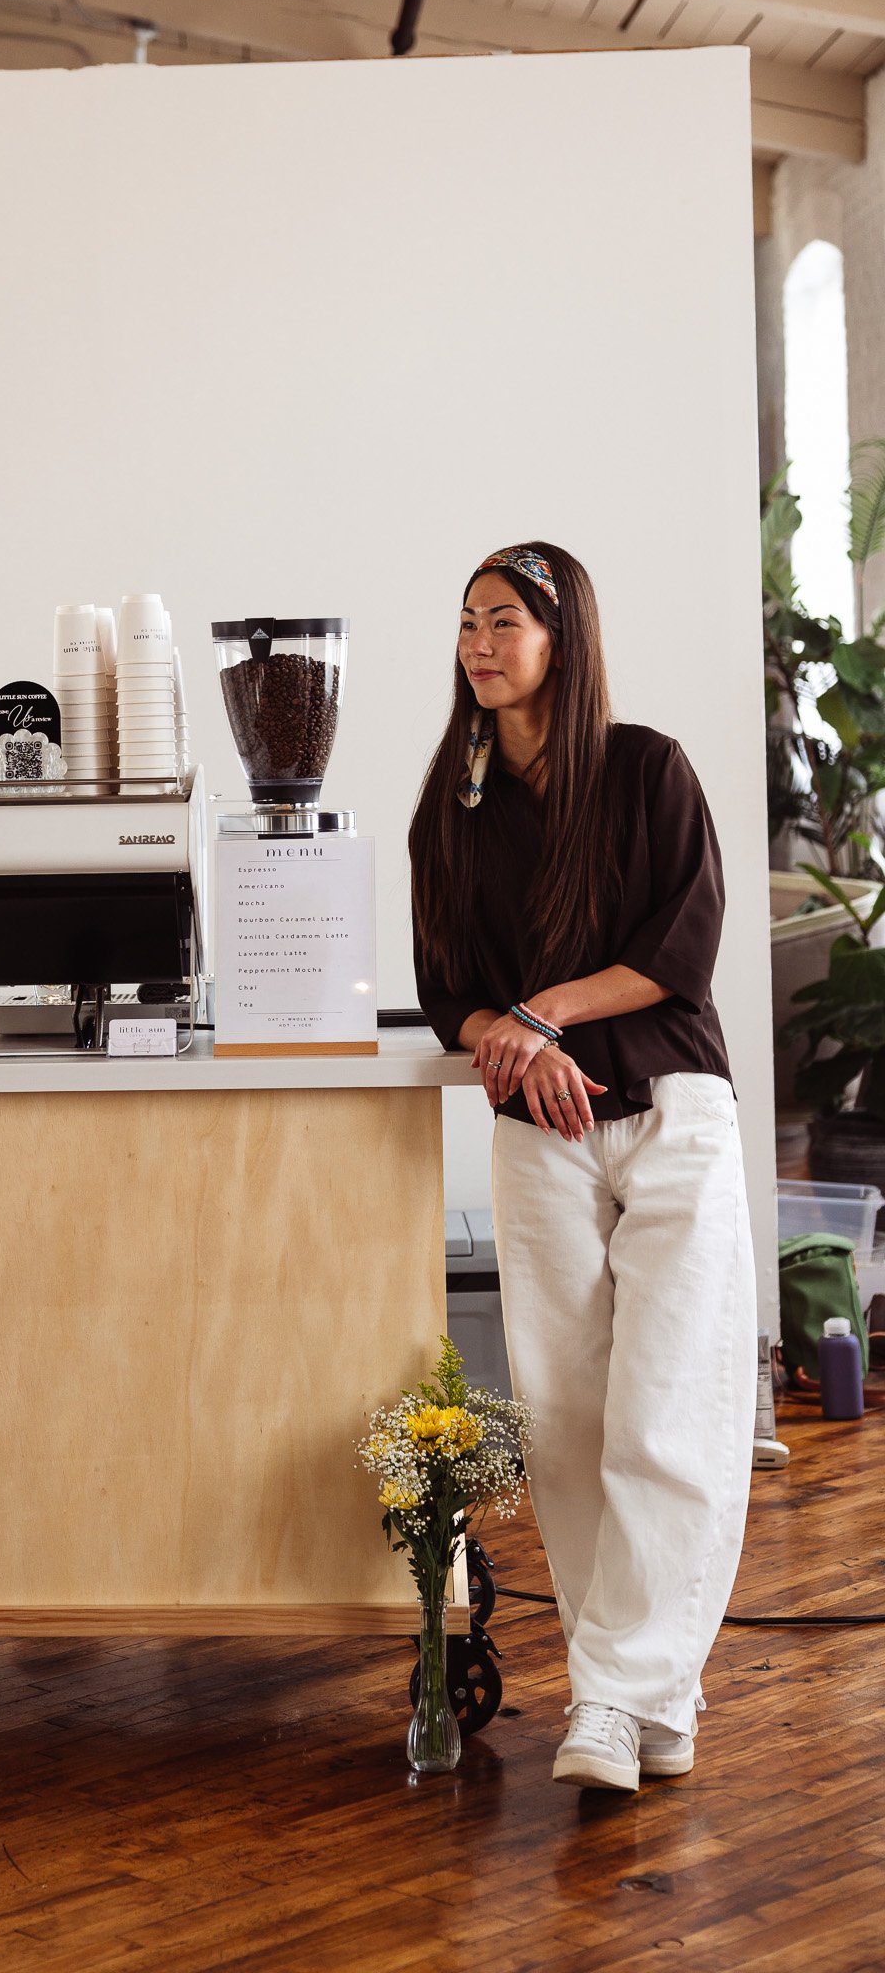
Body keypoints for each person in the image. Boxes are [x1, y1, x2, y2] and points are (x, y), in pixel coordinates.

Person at [408, 541, 757, 1794]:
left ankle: (609, 1699)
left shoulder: (647, 768)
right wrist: (504, 1032)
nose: (479, 644)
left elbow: (685, 944)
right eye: (466, 624)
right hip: (540, 1136)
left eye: (504, 621)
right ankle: (654, 1691)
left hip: (669, 1110)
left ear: (564, 637)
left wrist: (544, 1008)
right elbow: (448, 993)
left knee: (668, 1412)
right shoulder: (450, 809)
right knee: (566, 1423)